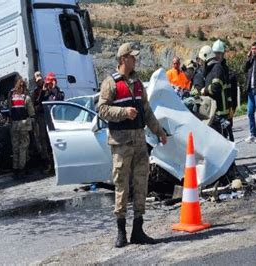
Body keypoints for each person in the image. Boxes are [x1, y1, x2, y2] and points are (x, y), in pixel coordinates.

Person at [98, 42, 167, 248]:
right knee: (121, 186)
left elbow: (147, 111)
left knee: (141, 184)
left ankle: (138, 229)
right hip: (121, 142)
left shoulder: (138, 83)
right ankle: (121, 232)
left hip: (139, 141)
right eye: (132, 57)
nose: (135, 59)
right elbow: (102, 110)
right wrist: (123, 112)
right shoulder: (110, 83)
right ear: (122, 59)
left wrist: (159, 132)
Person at [200, 45, 232, 137]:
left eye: (202, 60)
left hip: (220, 111)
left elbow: (216, 88)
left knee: (221, 138)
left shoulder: (217, 68)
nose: (201, 63)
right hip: (214, 111)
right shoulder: (211, 69)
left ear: (206, 57)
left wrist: (204, 90)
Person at [8, 77, 35, 178]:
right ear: (24, 86)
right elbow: (31, 113)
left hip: (14, 125)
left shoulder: (12, 97)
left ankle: (15, 169)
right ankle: (22, 169)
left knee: (15, 148)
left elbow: (10, 111)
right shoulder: (26, 98)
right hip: (24, 125)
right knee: (23, 147)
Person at [213, 39, 236, 141]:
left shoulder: (225, 70)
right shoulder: (213, 68)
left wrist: (232, 106)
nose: (217, 56)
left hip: (226, 107)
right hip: (216, 107)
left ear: (222, 54)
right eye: (215, 53)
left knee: (228, 130)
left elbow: (230, 90)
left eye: (219, 53)